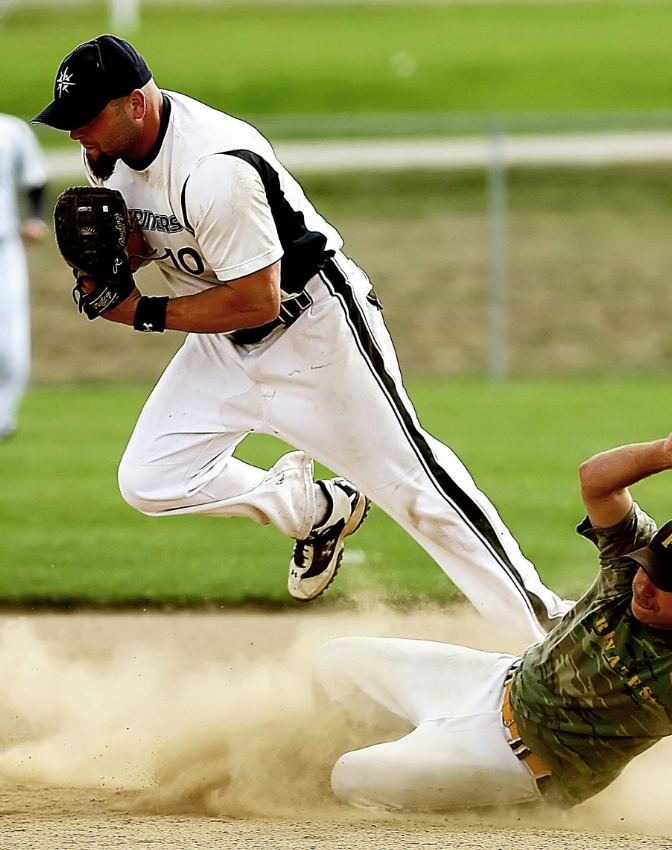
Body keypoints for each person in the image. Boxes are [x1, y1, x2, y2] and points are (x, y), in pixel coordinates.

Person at [31, 35, 568, 643]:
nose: (75, 133)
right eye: (66, 121)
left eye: (85, 118)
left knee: (417, 491)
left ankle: (551, 628)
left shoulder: (215, 169)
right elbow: (147, 240)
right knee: (151, 479)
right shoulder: (108, 154)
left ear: (134, 103)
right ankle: (318, 510)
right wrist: (106, 265)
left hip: (314, 332)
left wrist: (139, 311)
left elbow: (256, 297)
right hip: (223, 343)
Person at [313, 410, 672, 825]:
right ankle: (416, 749)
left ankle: (473, 797)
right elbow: (596, 480)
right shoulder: (631, 565)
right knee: (334, 663)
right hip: (494, 680)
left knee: (349, 776)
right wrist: (663, 454)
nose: (645, 584)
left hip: (516, 762)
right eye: (649, 568)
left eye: (666, 583)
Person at [0, 114, 48, 441]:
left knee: (10, 341)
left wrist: (35, 218)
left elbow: (36, 180)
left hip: (4, 246)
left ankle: (2, 418)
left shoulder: (10, 130)